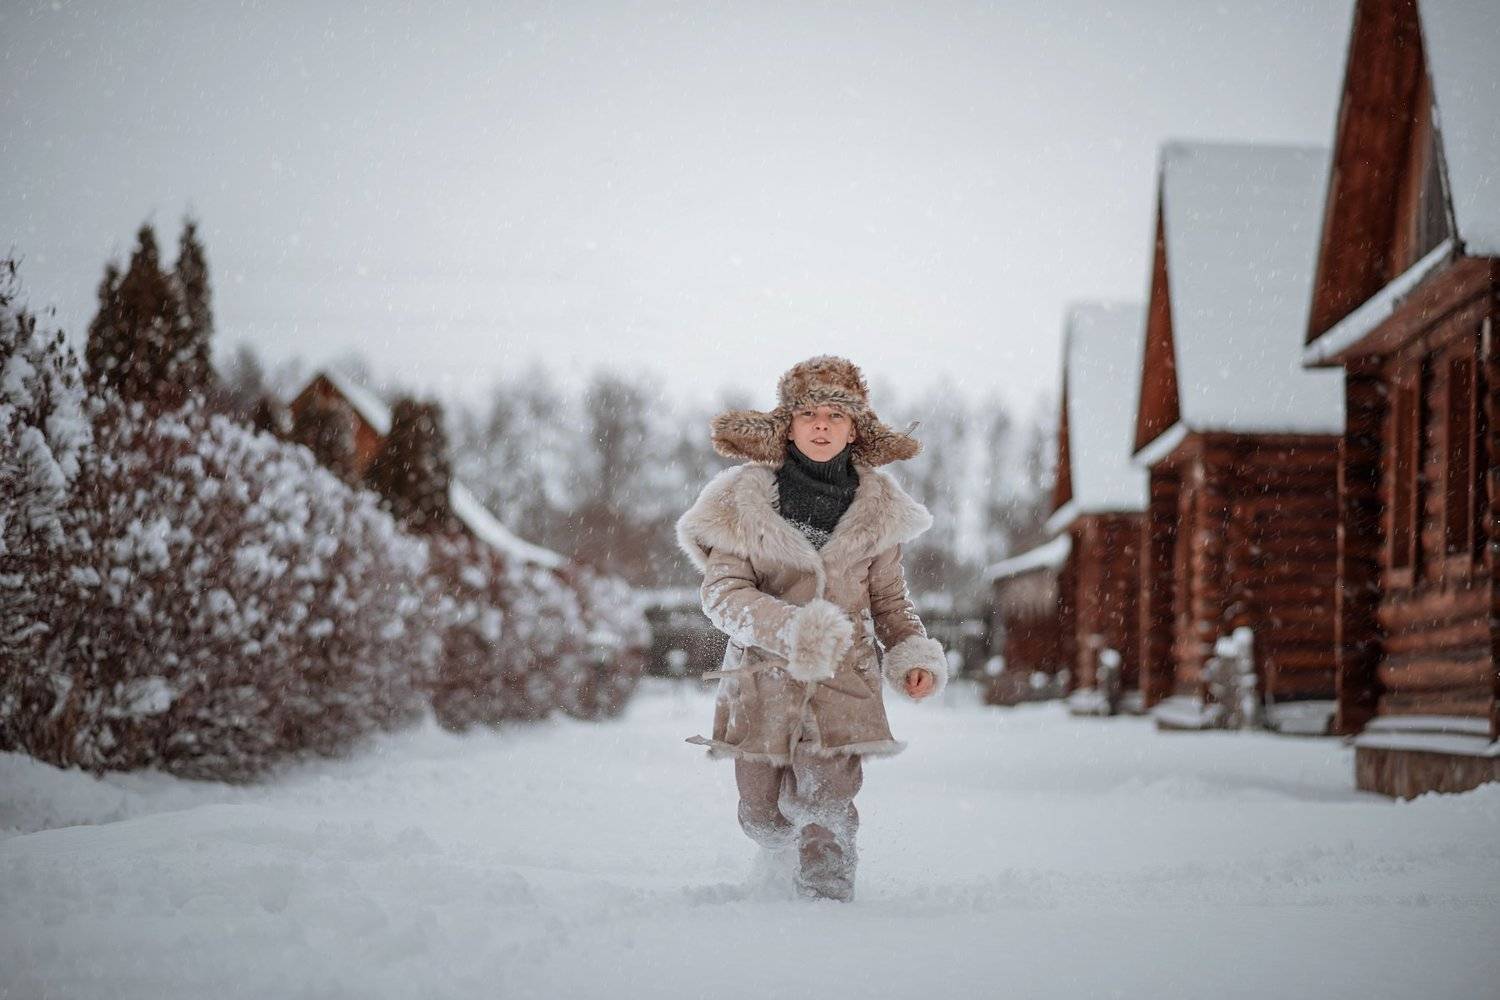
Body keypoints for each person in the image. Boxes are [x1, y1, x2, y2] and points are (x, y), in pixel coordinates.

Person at [674, 354, 947, 902]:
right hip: (762, 679)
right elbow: (723, 594)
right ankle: (777, 859)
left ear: (855, 431)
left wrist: (912, 653)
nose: (822, 425)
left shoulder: (878, 514)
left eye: (835, 415)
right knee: (761, 810)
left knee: (828, 801)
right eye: (809, 414)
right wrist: (791, 629)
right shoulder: (746, 504)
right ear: (789, 426)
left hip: (844, 680)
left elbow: (891, 600)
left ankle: (826, 907)